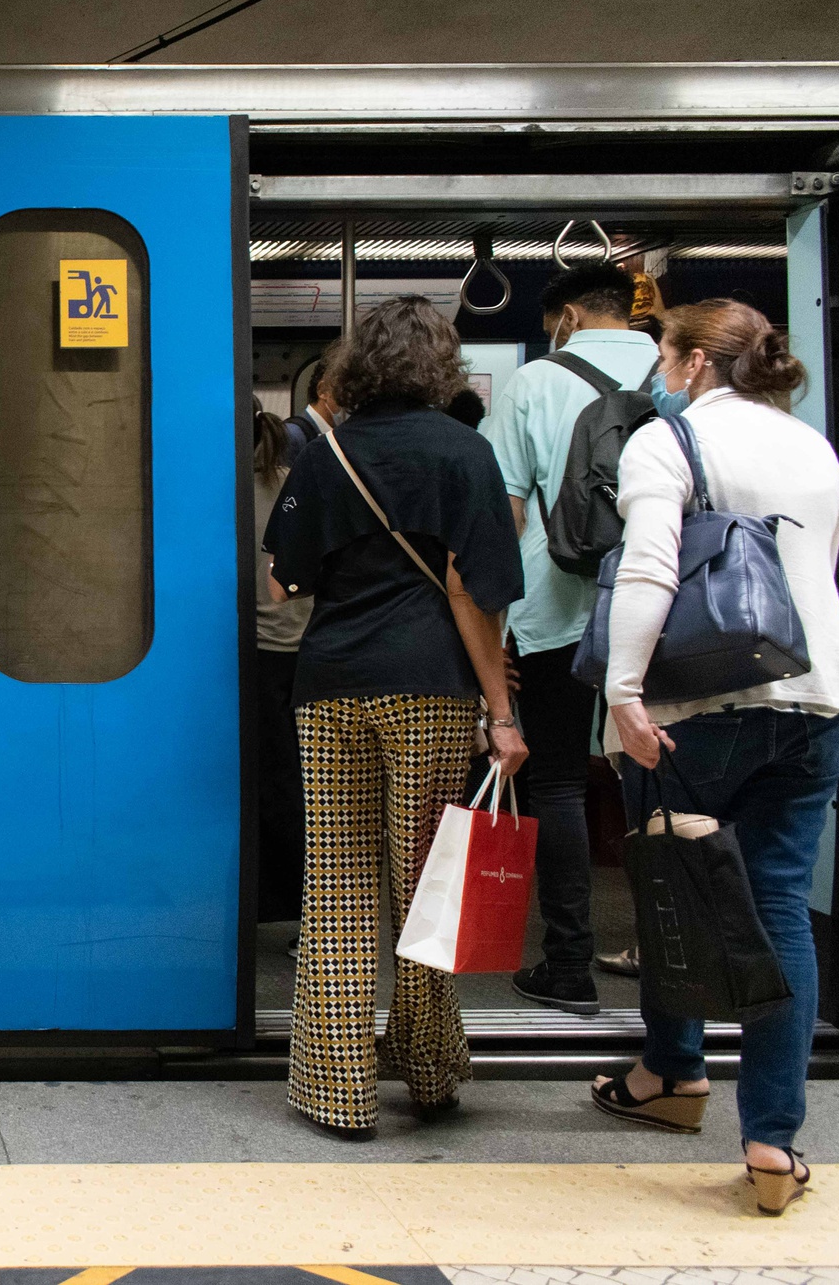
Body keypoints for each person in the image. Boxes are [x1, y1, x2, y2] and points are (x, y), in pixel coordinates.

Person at [588, 299, 839, 1217]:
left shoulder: (669, 442)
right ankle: (772, 1139)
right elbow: (817, 566)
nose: (662, 369)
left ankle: (673, 1070)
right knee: (779, 900)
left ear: (698, 361)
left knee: (673, 879)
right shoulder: (810, 445)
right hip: (816, 696)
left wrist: (624, 692)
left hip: (701, 703)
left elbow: (649, 569)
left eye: (669, 354)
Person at [262, 296, 527, 1140]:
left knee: (336, 889)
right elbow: (470, 591)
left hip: (330, 685)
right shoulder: (465, 452)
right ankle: (431, 1074)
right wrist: (503, 712)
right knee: (425, 884)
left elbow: (280, 583)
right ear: (440, 366)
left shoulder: (323, 452)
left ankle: (336, 1092)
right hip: (430, 688)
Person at [482, 262, 660, 1016]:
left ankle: (568, 964)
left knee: (555, 782)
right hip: (665, 612)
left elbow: (505, 511)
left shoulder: (536, 382)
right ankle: (673, 960)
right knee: (661, 785)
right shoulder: (679, 370)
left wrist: (492, 630)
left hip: (556, 609)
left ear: (570, 315)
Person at [252, 397, 312, 931]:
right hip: (299, 647)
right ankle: (296, 911)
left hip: (257, 652)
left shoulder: (221, 490)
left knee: (266, 781)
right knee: (290, 780)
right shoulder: (294, 480)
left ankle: (282, 906)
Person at [281, 352, 344, 467]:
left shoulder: (334, 434)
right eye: (343, 392)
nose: (348, 401)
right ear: (322, 391)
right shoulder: (293, 435)